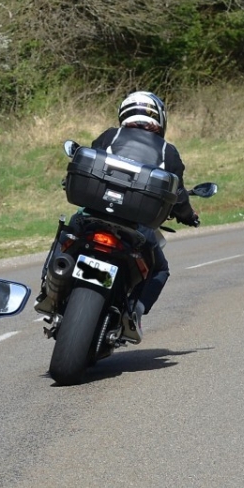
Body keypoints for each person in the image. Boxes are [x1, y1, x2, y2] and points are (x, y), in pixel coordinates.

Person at [87, 90, 197, 344]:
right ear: (159, 118)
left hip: (93, 215)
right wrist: (188, 215)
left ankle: (50, 284)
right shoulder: (167, 151)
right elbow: (177, 193)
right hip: (135, 226)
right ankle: (134, 313)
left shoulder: (109, 136)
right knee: (160, 269)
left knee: (67, 232)